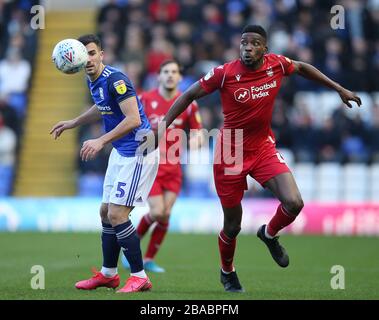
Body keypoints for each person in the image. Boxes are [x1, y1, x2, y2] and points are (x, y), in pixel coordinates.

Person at [144, 25, 362, 292]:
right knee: (233, 225)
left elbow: (303, 67)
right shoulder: (224, 74)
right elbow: (189, 94)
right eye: (244, 43)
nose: (248, 47)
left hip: (262, 148)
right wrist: (164, 126)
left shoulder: (277, 64)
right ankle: (227, 272)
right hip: (230, 152)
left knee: (294, 202)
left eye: (254, 43)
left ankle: (268, 234)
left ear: (264, 49)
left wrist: (338, 88)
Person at [50, 34, 159, 293]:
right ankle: (109, 274)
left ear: (102, 54)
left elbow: (133, 119)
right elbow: (102, 107)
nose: (86, 59)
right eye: (82, 54)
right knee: (105, 213)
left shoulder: (116, 80)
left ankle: (140, 276)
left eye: (91, 53)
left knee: (117, 214)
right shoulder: (94, 81)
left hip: (138, 151)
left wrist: (100, 140)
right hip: (121, 151)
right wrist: (74, 122)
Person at [122, 60, 203, 272]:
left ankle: (148, 259)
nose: (169, 75)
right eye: (165, 72)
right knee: (157, 212)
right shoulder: (145, 99)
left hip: (174, 169)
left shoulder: (189, 104)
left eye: (174, 72)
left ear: (179, 77)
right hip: (151, 166)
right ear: (158, 76)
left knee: (166, 214)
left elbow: (197, 130)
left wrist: (196, 140)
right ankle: (130, 248)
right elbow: (130, 123)